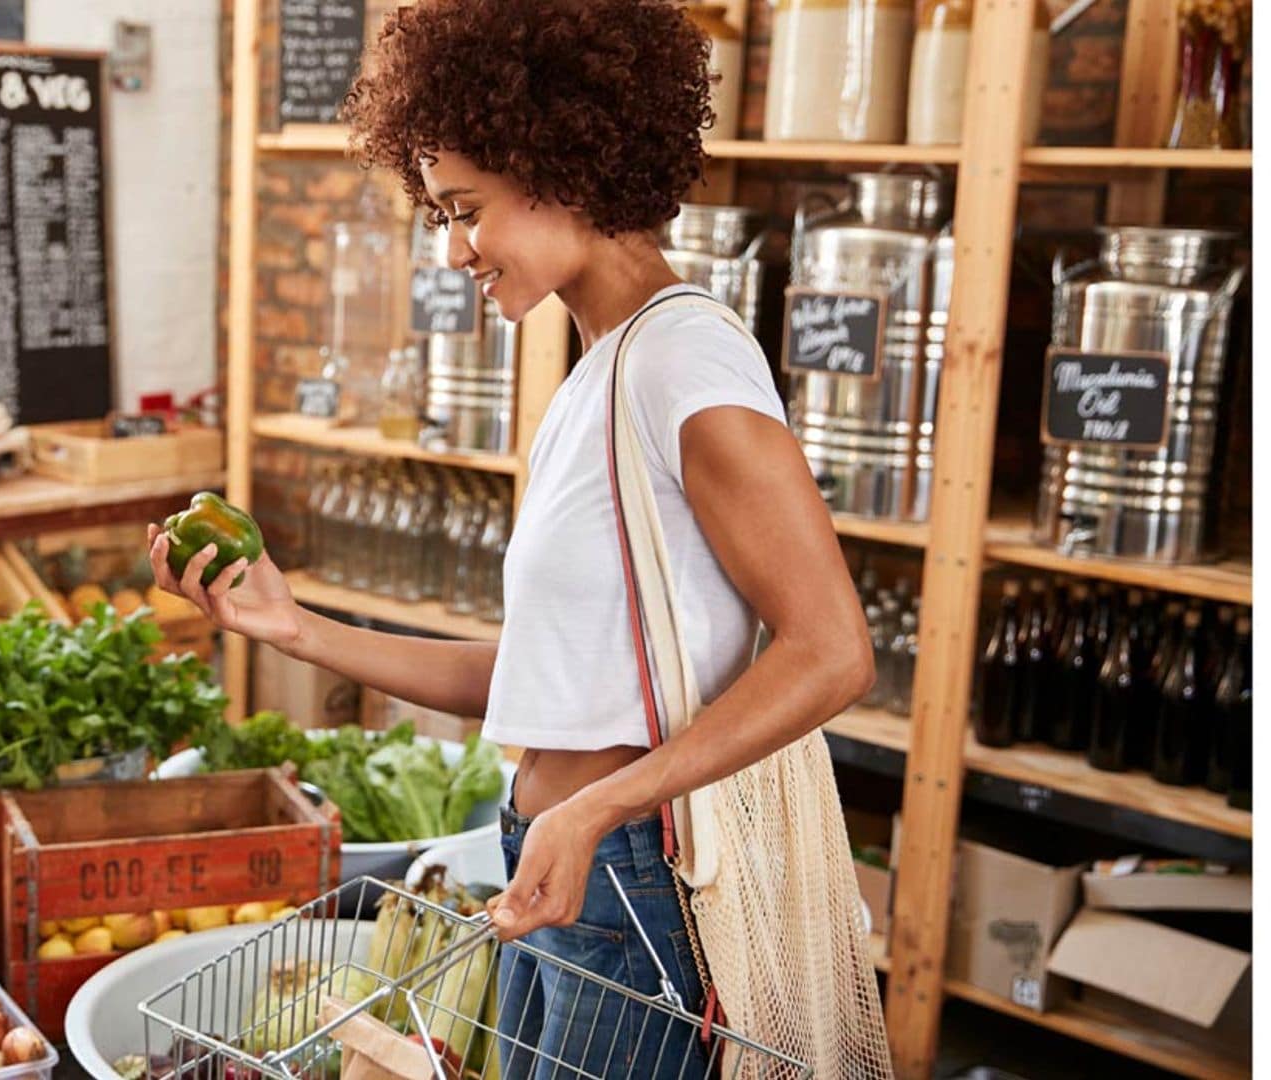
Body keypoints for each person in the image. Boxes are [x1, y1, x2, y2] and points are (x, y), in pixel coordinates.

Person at [151, 0, 875, 1073]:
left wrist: (598, 810)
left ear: (563, 163)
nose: (452, 251)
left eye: (464, 209)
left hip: (634, 881)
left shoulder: (682, 366)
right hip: (566, 863)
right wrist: (294, 627)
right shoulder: (602, 371)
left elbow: (833, 650)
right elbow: (543, 681)